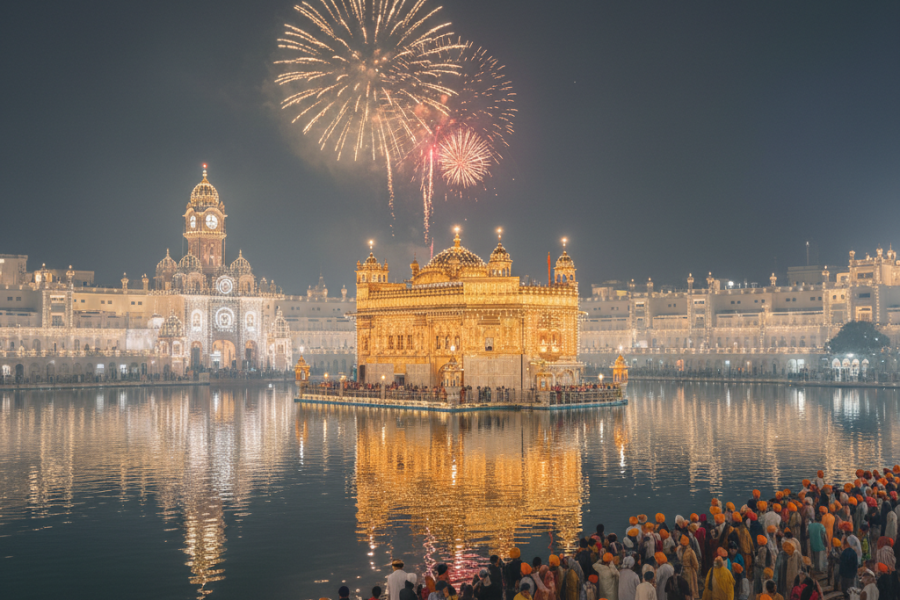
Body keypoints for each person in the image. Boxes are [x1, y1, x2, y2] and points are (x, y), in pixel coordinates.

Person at [679, 535, 700, 600]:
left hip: (690, 573)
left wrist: (694, 571)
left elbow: (696, 564)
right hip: (683, 572)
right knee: (685, 591)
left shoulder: (691, 551)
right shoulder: (681, 550)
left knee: (691, 591)